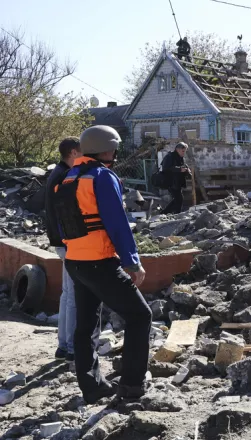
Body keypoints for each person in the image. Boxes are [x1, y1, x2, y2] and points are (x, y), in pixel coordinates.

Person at [54, 125, 151, 404]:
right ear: (107, 150)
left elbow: (63, 225)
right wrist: (133, 263)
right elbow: (117, 223)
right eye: (115, 148)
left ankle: (92, 387)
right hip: (99, 262)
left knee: (85, 326)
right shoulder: (102, 176)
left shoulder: (68, 178)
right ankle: (132, 386)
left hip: (75, 261)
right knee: (139, 316)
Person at [45, 137, 82, 362]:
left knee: (67, 294)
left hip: (60, 241)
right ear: (73, 153)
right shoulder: (64, 176)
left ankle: (63, 346)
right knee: (73, 296)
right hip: (67, 242)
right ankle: (70, 348)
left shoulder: (56, 173)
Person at [160, 142, 190, 214]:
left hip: (177, 182)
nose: (184, 153)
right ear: (177, 149)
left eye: (185, 151)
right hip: (170, 181)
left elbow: (182, 166)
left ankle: (166, 213)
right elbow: (166, 168)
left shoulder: (180, 157)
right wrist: (179, 169)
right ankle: (173, 213)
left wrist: (187, 170)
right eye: (183, 151)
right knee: (179, 199)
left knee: (178, 199)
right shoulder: (169, 156)